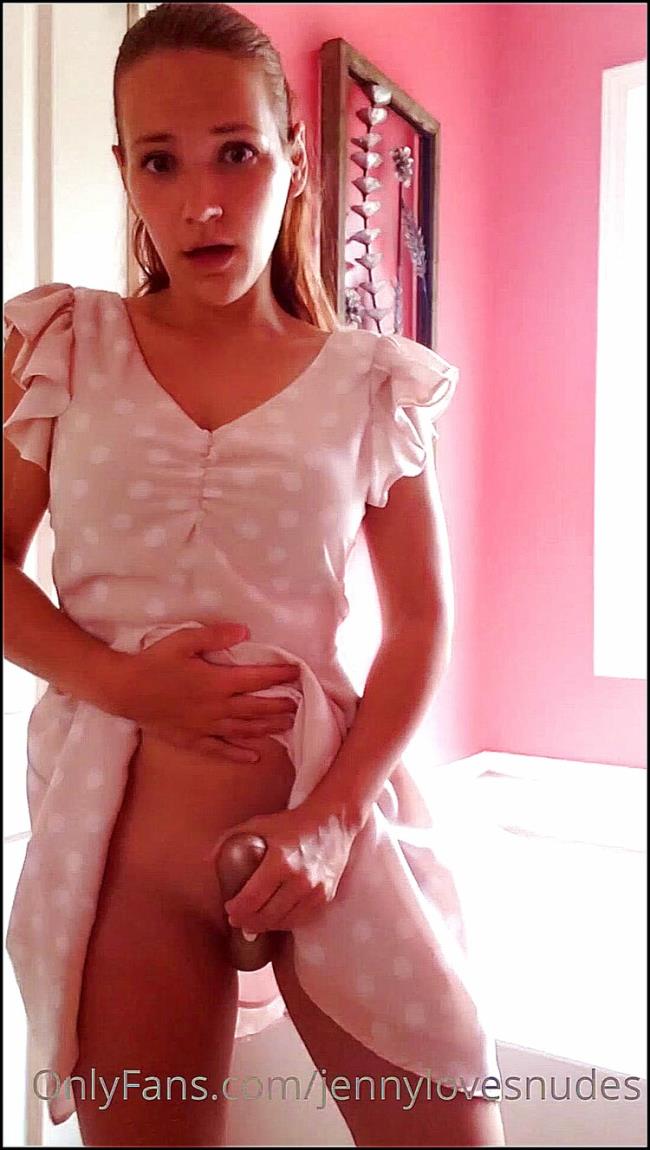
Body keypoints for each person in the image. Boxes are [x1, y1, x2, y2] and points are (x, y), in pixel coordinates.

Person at [3, 4, 506, 1147]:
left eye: (235, 152)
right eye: (161, 162)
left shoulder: (367, 382)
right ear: (124, 174)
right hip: (124, 865)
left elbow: (420, 622)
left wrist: (330, 821)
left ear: (292, 159)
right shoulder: (60, 348)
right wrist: (118, 681)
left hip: (328, 829)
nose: (202, 201)